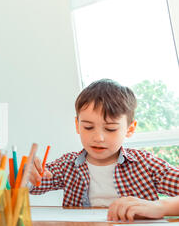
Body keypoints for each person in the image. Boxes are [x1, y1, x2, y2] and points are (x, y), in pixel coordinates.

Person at [27, 79, 179, 216]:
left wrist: (161, 207)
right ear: (77, 125)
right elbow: (29, 186)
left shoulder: (146, 164)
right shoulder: (67, 165)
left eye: (110, 129)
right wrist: (24, 175)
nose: (98, 138)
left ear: (130, 129)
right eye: (88, 127)